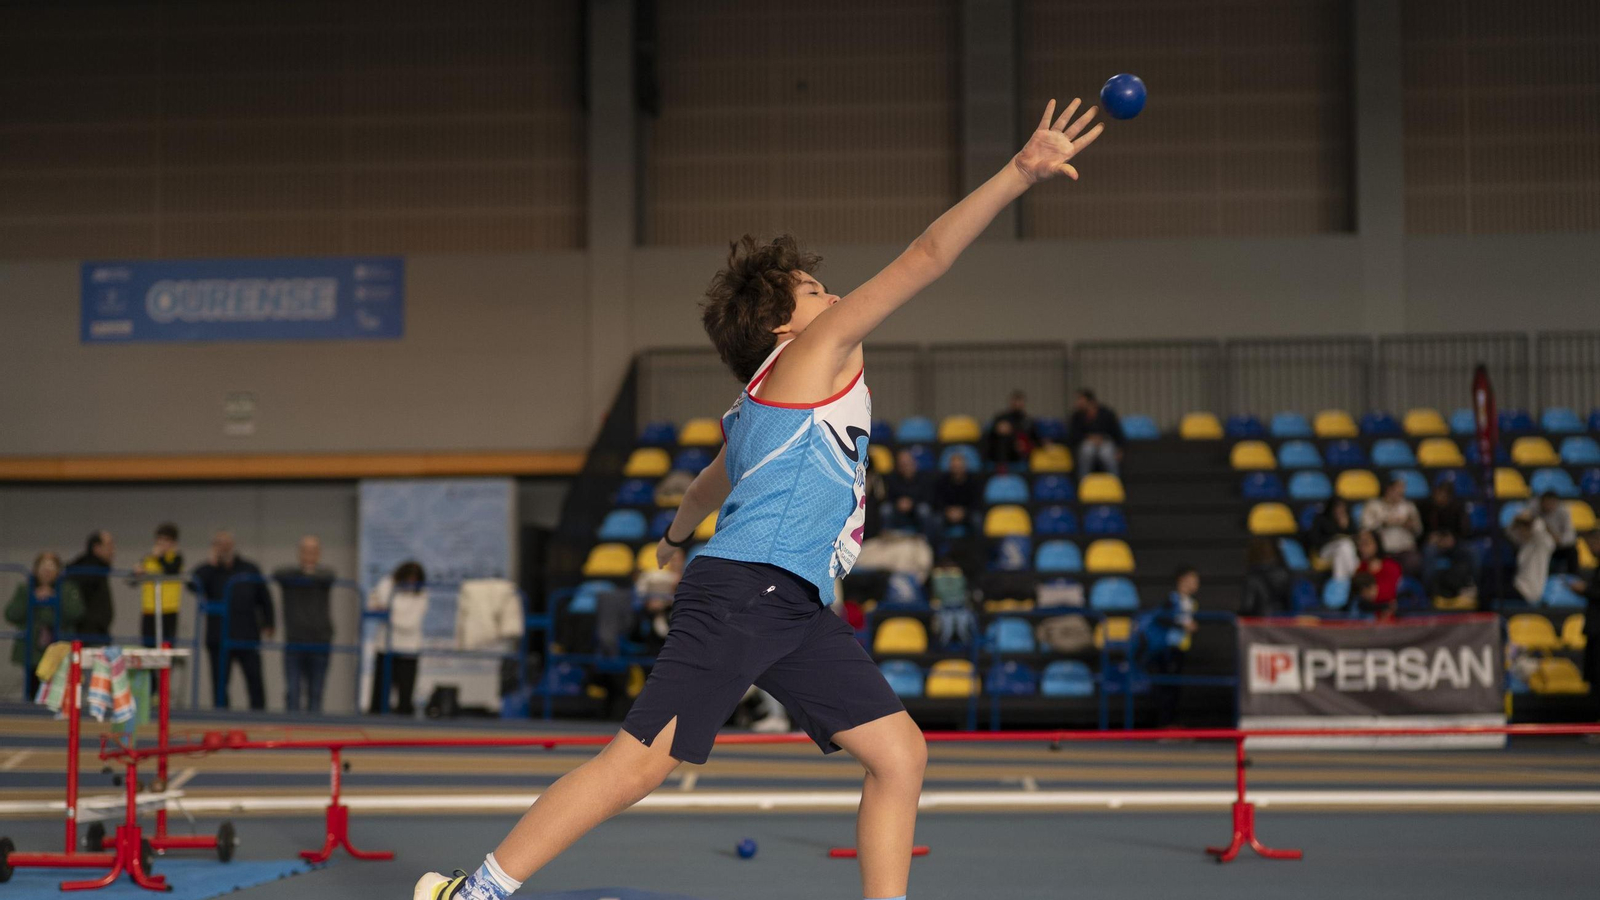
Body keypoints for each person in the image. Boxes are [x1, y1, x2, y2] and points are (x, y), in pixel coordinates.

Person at [413, 96, 1106, 900]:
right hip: (751, 588)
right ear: (785, 329)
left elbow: (713, 479)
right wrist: (1017, 175)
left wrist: (674, 534)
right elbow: (924, 256)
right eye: (814, 290)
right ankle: (475, 892)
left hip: (789, 599)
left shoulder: (756, 405)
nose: (831, 295)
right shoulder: (815, 353)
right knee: (640, 763)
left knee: (899, 752)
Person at [191, 531, 273, 711]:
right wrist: (211, 565)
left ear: (234, 545)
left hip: (247, 635)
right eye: (219, 543)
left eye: (227, 543)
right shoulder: (208, 571)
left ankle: (260, 719)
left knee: (255, 682)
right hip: (218, 638)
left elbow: (264, 597)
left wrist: (269, 623)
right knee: (219, 685)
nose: (224, 547)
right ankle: (220, 719)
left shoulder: (249, 568)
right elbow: (192, 584)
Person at [6, 551, 84, 699]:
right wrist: (32, 599)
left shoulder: (68, 589)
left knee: (59, 691)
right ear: (36, 570)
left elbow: (77, 613)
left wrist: (55, 599)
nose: (47, 571)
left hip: (58, 648)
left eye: (52, 567)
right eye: (43, 567)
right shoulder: (25, 589)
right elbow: (11, 614)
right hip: (32, 649)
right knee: (33, 690)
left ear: (58, 571)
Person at [274, 536, 337, 714]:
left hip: (320, 641)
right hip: (295, 641)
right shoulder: (290, 576)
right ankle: (290, 736)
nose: (309, 555)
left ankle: (314, 737)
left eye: (313, 551)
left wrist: (310, 574)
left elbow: (330, 576)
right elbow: (277, 573)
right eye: (306, 551)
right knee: (293, 691)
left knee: (316, 693)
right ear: (299, 553)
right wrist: (304, 573)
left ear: (319, 554)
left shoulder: (325, 576)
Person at [368, 561, 428, 716]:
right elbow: (374, 602)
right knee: (379, 697)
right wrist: (389, 613)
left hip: (408, 651)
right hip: (385, 648)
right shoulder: (388, 584)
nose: (410, 583)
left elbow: (410, 622)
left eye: (414, 580)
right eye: (407, 578)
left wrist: (389, 615)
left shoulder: (422, 595)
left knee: (405, 698)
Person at [1145, 567, 1199, 727]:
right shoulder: (1171, 600)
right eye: (1193, 579)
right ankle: (1165, 724)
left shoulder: (1191, 603)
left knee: (1175, 688)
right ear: (1182, 580)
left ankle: (1171, 724)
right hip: (1167, 649)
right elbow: (1162, 619)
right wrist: (1183, 626)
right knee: (1167, 688)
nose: (1196, 583)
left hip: (1180, 649)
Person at [136, 523, 184, 648]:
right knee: (148, 647)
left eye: (166, 540)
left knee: (167, 647)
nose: (162, 544)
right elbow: (133, 580)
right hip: (149, 609)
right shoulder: (148, 558)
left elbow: (171, 570)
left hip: (169, 610)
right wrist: (137, 571)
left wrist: (160, 557)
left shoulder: (176, 558)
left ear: (173, 543)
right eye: (160, 540)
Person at [1360, 477, 1422, 573]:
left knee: (1414, 561)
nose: (1401, 492)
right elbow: (1365, 530)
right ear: (1388, 489)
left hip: (1405, 550)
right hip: (1383, 551)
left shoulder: (1409, 507)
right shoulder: (1373, 505)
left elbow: (1419, 531)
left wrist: (1411, 526)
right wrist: (1383, 523)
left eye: (1403, 489)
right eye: (1398, 489)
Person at [65, 530, 115, 646]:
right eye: (109, 545)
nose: (113, 550)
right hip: (89, 635)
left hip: (98, 632)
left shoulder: (98, 569)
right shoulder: (87, 570)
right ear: (96, 548)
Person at [1065, 388, 1124, 476]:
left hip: (1105, 442)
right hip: (1086, 443)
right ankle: (1083, 482)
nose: (1077, 402)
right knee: (1087, 450)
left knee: (1107, 454)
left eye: (1080, 399)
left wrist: (1119, 448)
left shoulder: (1106, 413)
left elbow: (1116, 432)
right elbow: (1073, 435)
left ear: (1090, 401)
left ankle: (1115, 482)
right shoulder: (1076, 416)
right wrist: (1089, 437)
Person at [1507, 506, 1556, 603]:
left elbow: (1540, 529)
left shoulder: (1543, 544)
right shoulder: (1525, 544)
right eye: (1520, 528)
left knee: (1490, 590)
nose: (1521, 531)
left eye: (1525, 527)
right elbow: (1510, 533)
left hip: (1530, 591)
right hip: (1519, 586)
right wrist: (1517, 519)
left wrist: (1530, 517)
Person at [881, 448, 935, 536]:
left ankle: (926, 541)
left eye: (907, 463)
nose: (905, 466)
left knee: (924, 510)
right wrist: (898, 503)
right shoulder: (892, 478)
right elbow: (887, 497)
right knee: (885, 509)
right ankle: (888, 540)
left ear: (915, 463)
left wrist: (912, 503)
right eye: (902, 464)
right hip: (897, 509)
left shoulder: (924, 478)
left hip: (916, 509)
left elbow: (929, 498)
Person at [987, 390, 1043, 470]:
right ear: (1010, 402)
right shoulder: (1001, 418)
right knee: (1003, 439)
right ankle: (1002, 467)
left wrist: (1024, 446)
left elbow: (1035, 439)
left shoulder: (1028, 421)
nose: (1017, 404)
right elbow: (991, 436)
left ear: (1023, 403)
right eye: (1015, 401)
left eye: (1019, 401)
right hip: (1002, 452)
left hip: (1021, 454)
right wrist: (998, 429)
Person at [933, 450, 983, 538]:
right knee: (937, 520)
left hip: (966, 513)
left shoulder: (973, 481)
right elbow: (937, 500)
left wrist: (963, 512)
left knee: (977, 519)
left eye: (959, 466)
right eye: (954, 466)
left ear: (965, 466)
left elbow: (977, 502)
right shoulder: (942, 481)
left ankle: (978, 549)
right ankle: (939, 549)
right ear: (950, 466)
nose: (957, 468)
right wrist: (947, 511)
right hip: (947, 513)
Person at [1306, 498, 1359, 580]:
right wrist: (1334, 537)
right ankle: (1355, 577)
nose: (1340, 510)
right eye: (1337, 507)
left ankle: (1339, 582)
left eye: (1342, 508)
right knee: (1345, 545)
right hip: (1324, 551)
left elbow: (1355, 536)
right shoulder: (1321, 519)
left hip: (1342, 550)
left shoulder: (1348, 520)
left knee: (1341, 551)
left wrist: (1345, 526)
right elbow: (1314, 540)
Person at [1241, 537, 1291, 616]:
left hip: (1261, 623)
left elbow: (1247, 606)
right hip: (1284, 622)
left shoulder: (1252, 579)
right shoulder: (1284, 574)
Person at [1355, 530, 1401, 616]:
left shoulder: (1391, 566)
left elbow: (1391, 594)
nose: (1362, 548)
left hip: (1388, 615)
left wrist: (1374, 594)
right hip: (1366, 615)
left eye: (1366, 544)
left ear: (1377, 544)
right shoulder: (1360, 568)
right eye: (1360, 545)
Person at [1539, 492, 1579, 575]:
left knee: (1572, 550)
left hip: (1559, 546)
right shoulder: (1535, 512)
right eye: (1546, 503)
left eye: (1552, 503)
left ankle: (1573, 578)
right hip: (1543, 546)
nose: (1549, 506)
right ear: (1541, 503)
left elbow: (1571, 536)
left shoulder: (1563, 512)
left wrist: (1559, 540)